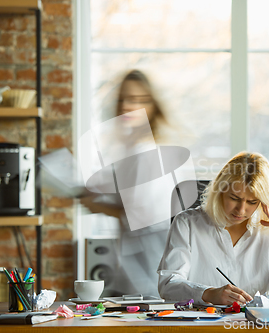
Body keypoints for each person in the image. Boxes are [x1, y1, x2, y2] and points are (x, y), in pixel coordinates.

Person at [157, 152, 269, 305]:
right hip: (199, 324)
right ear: (220, 191)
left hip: (252, 325)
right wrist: (207, 294)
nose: (241, 210)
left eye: (252, 202)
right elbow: (168, 284)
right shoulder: (187, 223)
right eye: (234, 198)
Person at [80, 69, 173, 297]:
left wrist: (97, 206)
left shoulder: (147, 149)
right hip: (133, 256)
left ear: (152, 106)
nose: (128, 107)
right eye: (124, 99)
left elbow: (137, 211)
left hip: (150, 255)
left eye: (138, 100)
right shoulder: (129, 147)